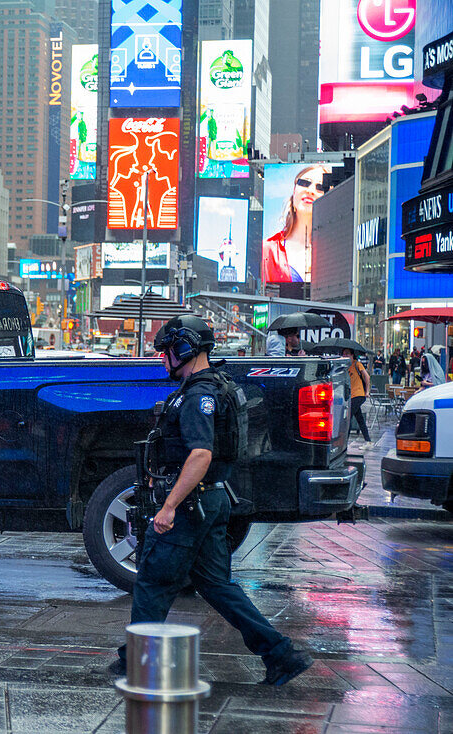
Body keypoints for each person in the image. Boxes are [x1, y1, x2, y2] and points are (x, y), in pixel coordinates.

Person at [107, 315, 312, 686]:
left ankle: (135, 662)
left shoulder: (197, 396)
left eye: (166, 352)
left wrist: (168, 506)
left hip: (190, 505)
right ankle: (281, 655)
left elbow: (200, 454)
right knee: (216, 586)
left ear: (184, 348)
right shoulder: (218, 387)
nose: (162, 359)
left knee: (152, 579)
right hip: (213, 499)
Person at [261, 165, 332, 283]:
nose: (310, 191)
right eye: (304, 183)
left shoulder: (334, 251)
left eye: (320, 187)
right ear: (294, 192)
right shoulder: (268, 249)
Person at [345, 349, 371, 447]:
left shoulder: (357, 364)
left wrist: (367, 391)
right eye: (343, 354)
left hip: (359, 394)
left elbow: (367, 377)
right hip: (351, 396)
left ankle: (344, 443)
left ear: (352, 355)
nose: (345, 356)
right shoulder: (346, 367)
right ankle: (368, 441)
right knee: (359, 418)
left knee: (348, 418)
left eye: (347, 353)